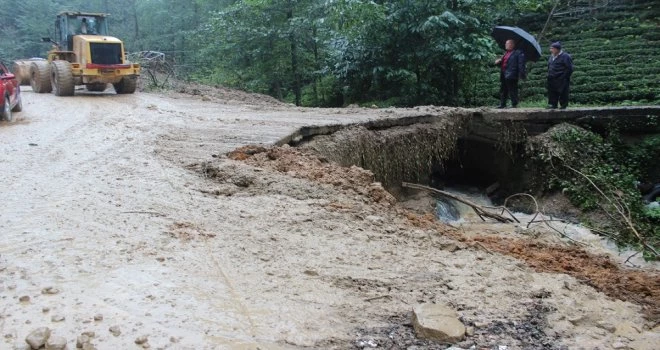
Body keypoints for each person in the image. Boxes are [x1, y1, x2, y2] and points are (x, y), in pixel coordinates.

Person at [494, 39, 526, 108]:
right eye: (506, 43)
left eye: (507, 43)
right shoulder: (506, 53)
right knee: (503, 89)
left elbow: (521, 64)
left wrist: (521, 74)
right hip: (503, 73)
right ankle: (502, 104)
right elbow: (504, 64)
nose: (506, 45)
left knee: (512, 89)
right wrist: (498, 62)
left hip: (512, 74)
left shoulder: (518, 53)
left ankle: (514, 104)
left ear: (512, 45)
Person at [546, 41, 574, 109]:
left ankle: (563, 105)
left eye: (552, 48)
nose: (551, 50)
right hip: (552, 77)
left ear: (557, 49)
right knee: (552, 92)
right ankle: (553, 104)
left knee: (563, 92)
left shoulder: (565, 56)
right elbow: (549, 66)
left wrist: (564, 77)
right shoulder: (551, 56)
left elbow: (569, 68)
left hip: (561, 78)